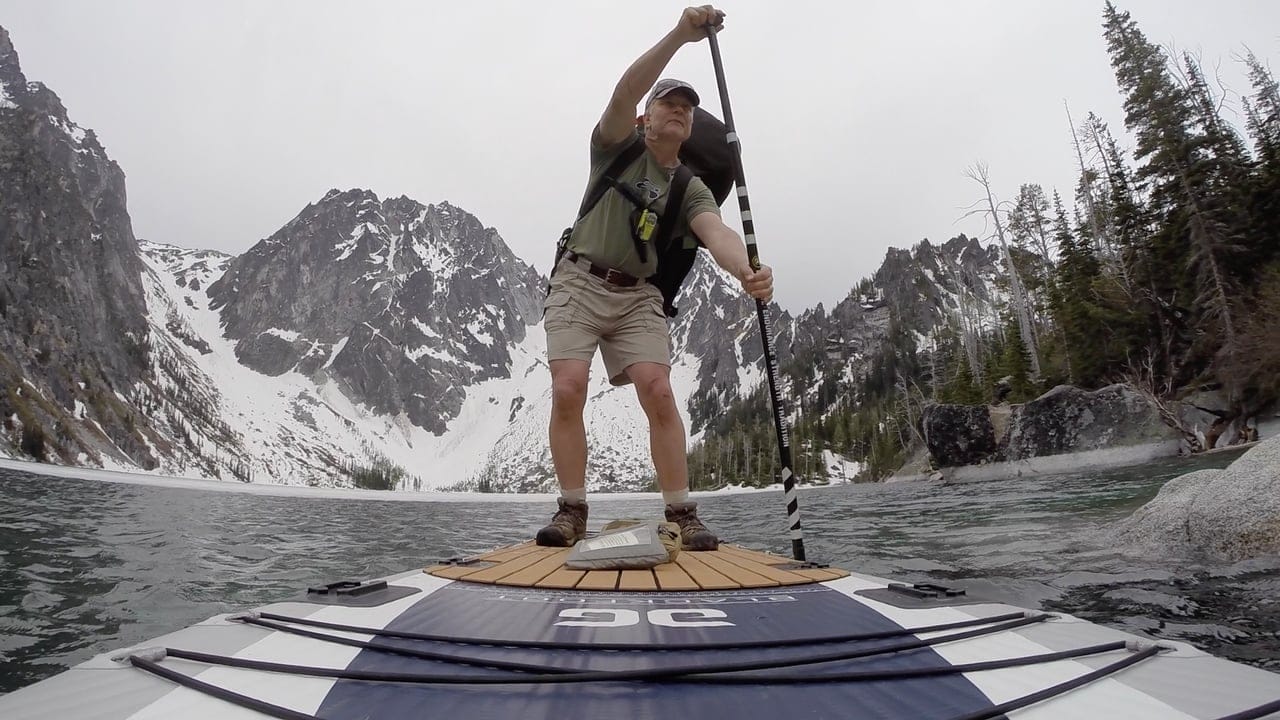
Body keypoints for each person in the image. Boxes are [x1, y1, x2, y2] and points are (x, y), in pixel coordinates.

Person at [537, 5, 774, 550]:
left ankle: (682, 513)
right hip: (578, 281)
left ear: (690, 129)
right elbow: (624, 93)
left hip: (638, 296)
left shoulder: (688, 185)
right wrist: (680, 36)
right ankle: (572, 509)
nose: (679, 111)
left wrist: (748, 271)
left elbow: (716, 232)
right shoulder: (614, 148)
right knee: (568, 388)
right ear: (647, 118)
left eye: (687, 109)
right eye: (669, 103)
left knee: (660, 391)